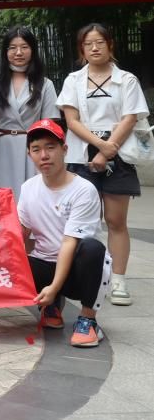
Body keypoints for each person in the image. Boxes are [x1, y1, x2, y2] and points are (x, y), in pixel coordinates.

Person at [57, 22, 150, 307]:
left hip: (118, 154)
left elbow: (130, 118)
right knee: (81, 220)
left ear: (110, 45)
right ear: (81, 50)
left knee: (116, 220)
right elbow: (71, 120)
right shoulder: (73, 80)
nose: (94, 48)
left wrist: (109, 150)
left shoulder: (127, 80)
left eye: (100, 42)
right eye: (88, 44)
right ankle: (82, 276)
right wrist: (100, 146)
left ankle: (118, 280)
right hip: (82, 154)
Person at [19, 119, 112, 348]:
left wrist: (54, 287)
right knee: (11, 258)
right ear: (29, 154)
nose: (44, 155)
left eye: (50, 147)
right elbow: (20, 233)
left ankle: (88, 320)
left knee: (93, 248)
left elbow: (70, 242)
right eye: (36, 149)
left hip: (77, 272)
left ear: (65, 149)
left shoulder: (84, 190)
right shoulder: (28, 187)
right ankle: (51, 307)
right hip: (45, 263)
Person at [0, 27, 59, 199]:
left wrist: (41, 150)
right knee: (0, 197)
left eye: (24, 47)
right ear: (5, 52)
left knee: (32, 198)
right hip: (1, 146)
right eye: (12, 48)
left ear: (33, 50)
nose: (18, 52)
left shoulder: (45, 84)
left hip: (32, 147)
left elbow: (50, 124)